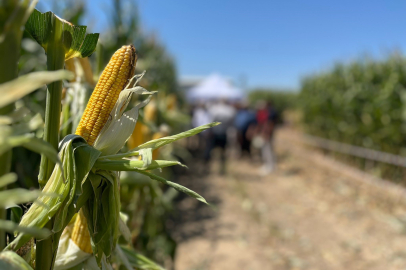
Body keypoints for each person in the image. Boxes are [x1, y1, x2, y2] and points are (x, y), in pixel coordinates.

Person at [205, 99, 236, 174]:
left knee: (209, 151)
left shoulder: (214, 109)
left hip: (214, 133)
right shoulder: (231, 111)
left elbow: (210, 122)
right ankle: (222, 169)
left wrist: (208, 131)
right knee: (223, 152)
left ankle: (207, 168)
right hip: (224, 133)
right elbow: (232, 124)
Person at [254, 100, 278, 175]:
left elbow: (269, 125)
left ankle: (270, 166)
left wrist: (266, 134)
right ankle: (267, 165)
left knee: (268, 150)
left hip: (267, 135)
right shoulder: (265, 114)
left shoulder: (269, 114)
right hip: (265, 134)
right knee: (265, 150)